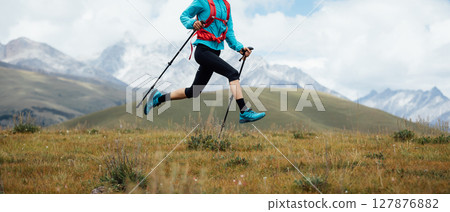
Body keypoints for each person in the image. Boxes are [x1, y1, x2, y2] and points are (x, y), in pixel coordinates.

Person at [144, 0, 265, 124]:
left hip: (215, 52)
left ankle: (158, 98)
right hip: (202, 51)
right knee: (233, 74)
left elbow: (229, 33)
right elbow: (184, 16)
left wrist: (240, 48)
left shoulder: (226, 6)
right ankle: (244, 112)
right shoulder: (202, 2)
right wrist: (193, 23)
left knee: (194, 92)